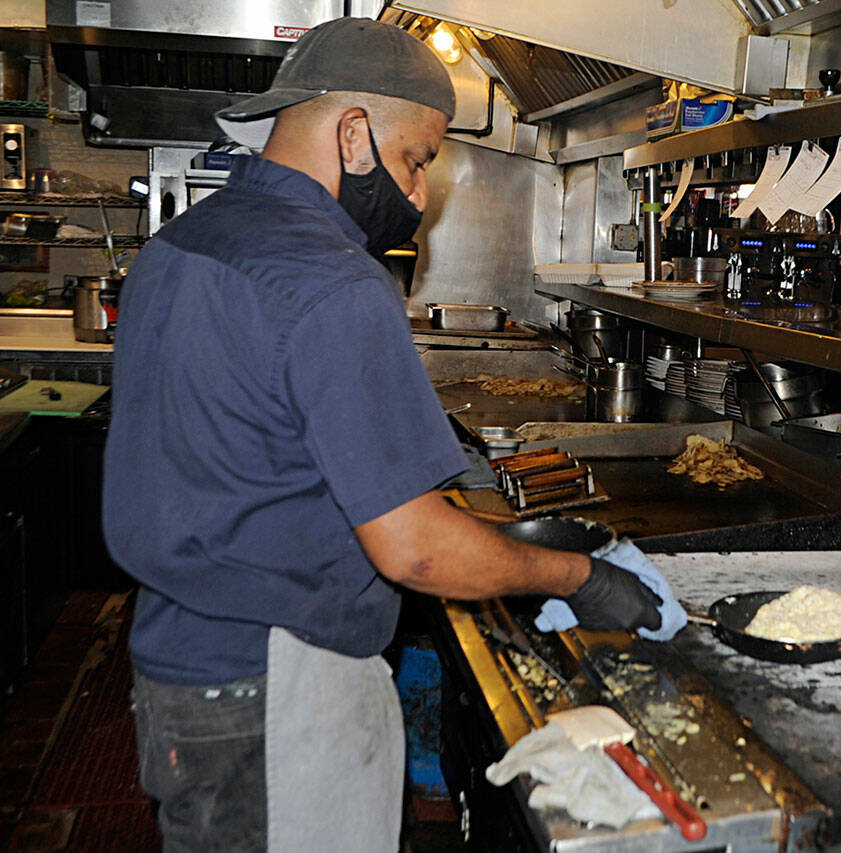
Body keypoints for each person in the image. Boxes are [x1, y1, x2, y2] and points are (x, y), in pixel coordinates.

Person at [102, 18, 685, 852]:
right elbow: (415, 550)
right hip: (282, 690)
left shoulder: (175, 248)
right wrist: (579, 575)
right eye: (416, 159)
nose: (416, 196)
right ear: (351, 133)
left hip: (177, 669)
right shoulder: (334, 279)